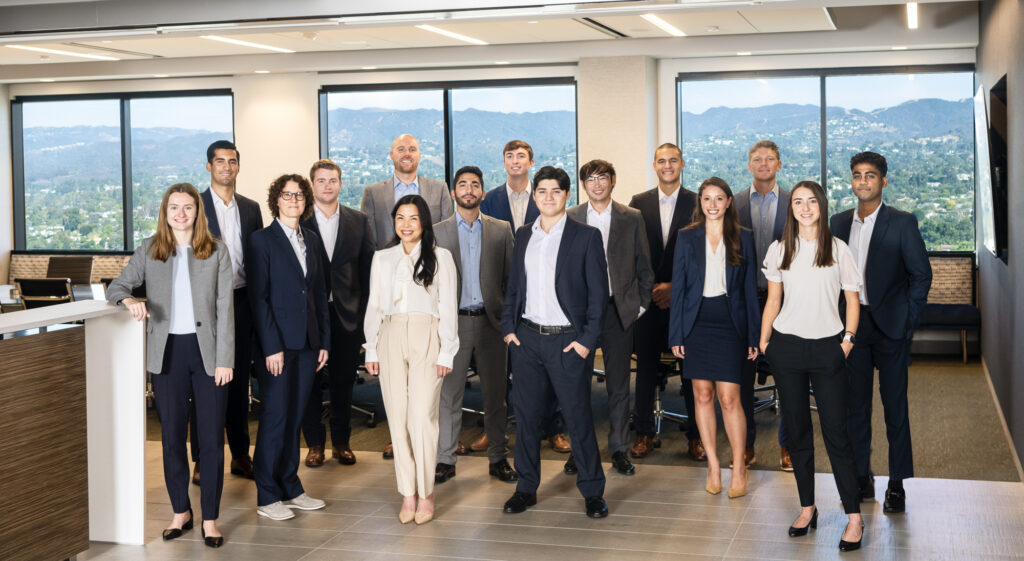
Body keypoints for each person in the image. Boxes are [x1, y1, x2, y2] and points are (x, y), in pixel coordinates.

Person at [107, 183, 234, 548]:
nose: (180, 214)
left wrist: (225, 359)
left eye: (188, 207)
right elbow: (117, 286)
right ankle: (181, 511)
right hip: (166, 355)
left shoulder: (217, 251)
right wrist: (130, 300)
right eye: (173, 207)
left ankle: (210, 518)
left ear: (198, 212)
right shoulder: (150, 248)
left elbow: (226, 311)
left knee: (210, 439)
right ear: (165, 212)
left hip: (208, 354)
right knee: (172, 438)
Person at [760, 180, 865, 551]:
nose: (805, 208)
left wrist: (847, 342)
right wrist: (765, 342)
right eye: (798, 202)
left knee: (837, 433)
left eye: (811, 202)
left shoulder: (838, 249)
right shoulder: (779, 249)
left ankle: (854, 516)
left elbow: (852, 300)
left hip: (828, 349)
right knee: (798, 433)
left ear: (821, 205)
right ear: (791, 208)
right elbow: (773, 300)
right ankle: (808, 508)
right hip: (786, 348)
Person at [501, 166, 609, 519]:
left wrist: (585, 342)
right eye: (542, 191)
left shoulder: (585, 236)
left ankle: (593, 491)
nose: (548, 197)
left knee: (578, 420)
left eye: (556, 191)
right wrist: (509, 330)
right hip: (528, 340)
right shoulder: (524, 235)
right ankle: (526, 488)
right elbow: (515, 287)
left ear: (566, 196)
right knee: (528, 419)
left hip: (567, 343)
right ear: (534, 197)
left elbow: (597, 298)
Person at [830, 151, 931, 513]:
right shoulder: (838, 223)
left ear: (883, 181)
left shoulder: (902, 223)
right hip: (853, 328)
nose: (863, 181)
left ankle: (898, 483)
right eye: (857, 175)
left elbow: (921, 276)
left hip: (890, 328)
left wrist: (907, 320)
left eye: (870, 175)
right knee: (854, 407)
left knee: (894, 408)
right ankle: (861, 477)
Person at [363, 194, 459, 525]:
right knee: (399, 417)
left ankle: (427, 492)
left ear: (424, 222)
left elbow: (447, 306)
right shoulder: (383, 258)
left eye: (413, 218)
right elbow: (375, 304)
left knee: (421, 416)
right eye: (400, 218)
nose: (406, 224)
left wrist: (447, 350)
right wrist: (372, 348)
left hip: (427, 335)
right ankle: (408, 492)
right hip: (390, 335)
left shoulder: (440, 257)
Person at [668, 177, 760, 498]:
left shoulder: (744, 237)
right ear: (701, 203)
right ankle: (712, 465)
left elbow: (750, 291)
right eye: (707, 198)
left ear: (728, 202)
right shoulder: (687, 237)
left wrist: (754, 335)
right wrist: (676, 332)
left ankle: (738, 466)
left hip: (731, 322)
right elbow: (678, 288)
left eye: (718, 198)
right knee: (702, 395)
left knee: (729, 398)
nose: (712, 204)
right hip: (696, 322)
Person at [248, 174, 331, 522]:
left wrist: (324, 341)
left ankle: (290, 487)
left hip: (308, 344)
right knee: (276, 418)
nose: (294, 200)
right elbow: (259, 298)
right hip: (278, 346)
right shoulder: (261, 241)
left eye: (299, 195)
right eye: (287, 194)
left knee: (295, 416)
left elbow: (319, 295)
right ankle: (267, 495)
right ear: (276, 200)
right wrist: (271, 347)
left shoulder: (311, 239)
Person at [480, 139, 569, 454]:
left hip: (542, 293)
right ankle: (496, 430)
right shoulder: (489, 200)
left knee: (549, 363)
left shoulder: (545, 196)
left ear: (531, 161)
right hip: (502, 292)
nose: (515, 161)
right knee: (500, 368)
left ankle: (554, 428)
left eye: (521, 156)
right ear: (504, 162)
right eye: (509, 156)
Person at [566, 159, 653, 476]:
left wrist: (639, 305)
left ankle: (619, 449)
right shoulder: (571, 216)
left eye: (603, 178)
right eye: (591, 179)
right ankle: (580, 450)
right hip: (581, 315)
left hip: (618, 311)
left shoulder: (631, 217)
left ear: (613, 181)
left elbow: (645, 266)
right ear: (584, 185)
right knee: (577, 387)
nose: (597, 184)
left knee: (618, 385)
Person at [433, 166, 518, 484]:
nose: (469, 189)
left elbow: (511, 281)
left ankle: (498, 458)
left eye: (475, 185)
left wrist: (508, 322)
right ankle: (446, 459)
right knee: (449, 396)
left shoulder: (500, 229)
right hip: (451, 325)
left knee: (496, 396)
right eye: (462, 185)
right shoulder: (438, 232)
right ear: (453, 192)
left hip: (491, 323)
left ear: (483, 192)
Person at [191, 140, 263, 485]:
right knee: (205, 382)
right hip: (206, 306)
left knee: (237, 382)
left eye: (232, 162)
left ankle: (240, 455)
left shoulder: (250, 209)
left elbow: (257, 258)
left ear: (238, 167)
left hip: (242, 301)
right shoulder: (195, 207)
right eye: (220, 161)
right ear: (209, 167)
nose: (226, 167)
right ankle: (203, 459)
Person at [628, 143, 703, 460]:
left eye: (673, 160)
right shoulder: (637, 203)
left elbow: (703, 255)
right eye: (662, 161)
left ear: (682, 164)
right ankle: (643, 433)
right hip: (648, 302)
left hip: (684, 303)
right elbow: (631, 254)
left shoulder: (698, 203)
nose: (668, 165)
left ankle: (697, 437)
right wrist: (652, 290)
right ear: (654, 165)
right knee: (645, 370)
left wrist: (675, 287)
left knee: (691, 373)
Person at [300, 159, 376, 467]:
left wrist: (364, 318)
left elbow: (368, 272)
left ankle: (342, 442)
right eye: (321, 180)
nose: (327, 185)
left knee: (344, 381)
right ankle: (315, 444)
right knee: (310, 382)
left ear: (340, 184)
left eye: (333, 180)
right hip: (310, 316)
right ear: (312, 185)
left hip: (347, 315)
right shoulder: (299, 220)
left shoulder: (359, 220)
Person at [732, 140, 793, 470]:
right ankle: (746, 445)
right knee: (743, 377)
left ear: (779, 165)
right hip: (746, 300)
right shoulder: (735, 203)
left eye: (770, 159)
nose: (763, 163)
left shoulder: (793, 203)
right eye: (757, 159)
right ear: (749, 165)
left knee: (785, 376)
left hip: (785, 301)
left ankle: (787, 446)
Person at [362, 134, 454, 251]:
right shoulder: (372, 194)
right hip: (387, 265)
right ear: (391, 155)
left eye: (412, 149)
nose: (407, 154)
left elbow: (447, 234)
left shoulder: (439, 189)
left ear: (419, 155)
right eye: (401, 149)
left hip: (430, 264)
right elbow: (368, 241)